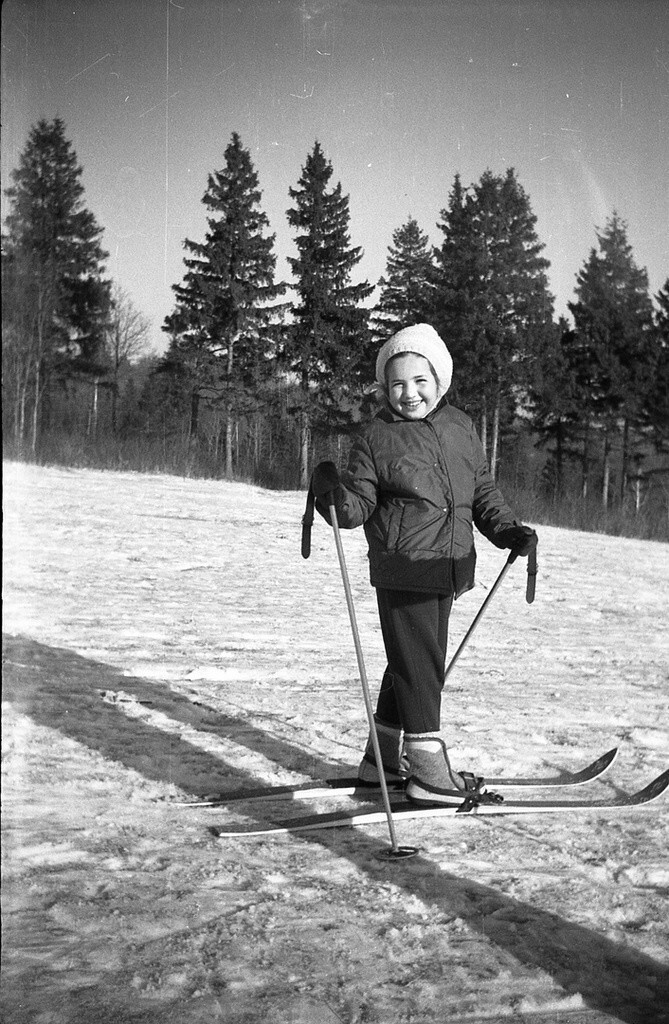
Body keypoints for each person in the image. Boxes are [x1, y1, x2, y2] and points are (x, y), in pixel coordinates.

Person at [310, 323, 537, 806]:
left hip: (450, 566)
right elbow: (358, 504)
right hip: (404, 566)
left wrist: (507, 530)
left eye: (420, 381)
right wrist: (334, 499)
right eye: (397, 384)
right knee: (422, 668)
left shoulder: (460, 428)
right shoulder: (376, 437)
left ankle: (381, 763)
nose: (409, 393)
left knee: (408, 663)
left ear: (440, 380)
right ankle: (429, 773)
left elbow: (481, 493)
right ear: (384, 389)